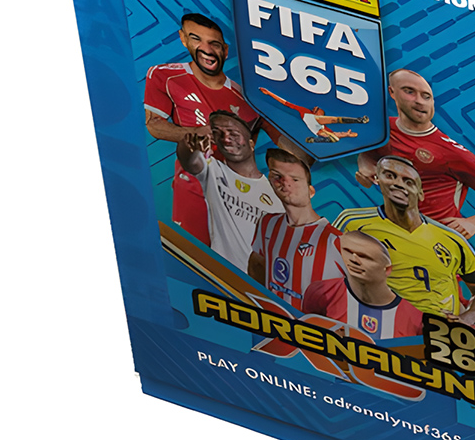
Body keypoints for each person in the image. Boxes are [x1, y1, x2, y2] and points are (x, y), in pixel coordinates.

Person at [145, 12, 301, 246]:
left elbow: (293, 151)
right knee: (195, 254)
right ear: (183, 39)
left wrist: (314, 140)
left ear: (225, 50)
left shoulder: (251, 99)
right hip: (195, 184)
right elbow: (154, 125)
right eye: (196, 39)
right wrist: (198, 133)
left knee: (244, 260)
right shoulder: (165, 75)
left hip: (243, 196)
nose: (206, 49)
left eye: (214, 44)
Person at [355, 69, 475, 238]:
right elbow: (368, 153)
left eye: (426, 96)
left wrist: (473, 223)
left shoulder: (454, 154)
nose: (419, 101)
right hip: (393, 233)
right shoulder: (382, 129)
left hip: (436, 240)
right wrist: (366, 166)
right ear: (392, 92)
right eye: (409, 92)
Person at [335, 156, 475, 324]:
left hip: (439, 332)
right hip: (379, 326)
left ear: (421, 193)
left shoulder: (452, 239)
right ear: (377, 179)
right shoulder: (352, 223)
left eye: (408, 182)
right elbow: (325, 271)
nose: (398, 184)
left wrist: (465, 321)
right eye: (390, 176)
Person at [175, 111, 281, 265]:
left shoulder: (278, 193)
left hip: (261, 278)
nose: (226, 139)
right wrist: (189, 146)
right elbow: (191, 161)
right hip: (220, 273)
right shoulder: (213, 170)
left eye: (233, 134)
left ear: (251, 144)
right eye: (218, 134)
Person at [248, 148, 343, 307]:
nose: (285, 183)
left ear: (311, 191)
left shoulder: (335, 240)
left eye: (295, 179)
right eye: (277, 177)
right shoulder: (267, 223)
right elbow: (257, 264)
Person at [301, 230, 427, 343]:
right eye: (348, 252)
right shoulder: (321, 292)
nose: (354, 260)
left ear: (387, 269)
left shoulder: (415, 318)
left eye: (364, 257)